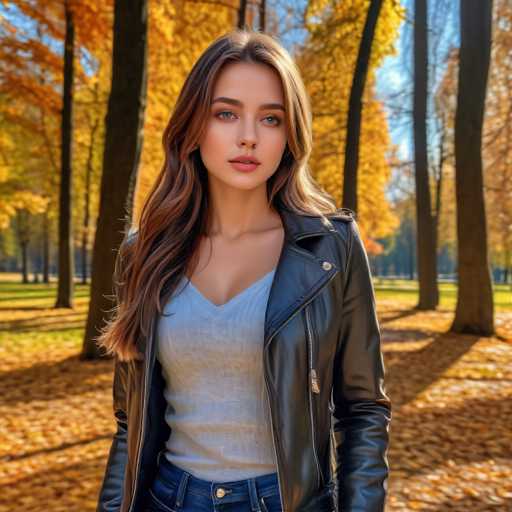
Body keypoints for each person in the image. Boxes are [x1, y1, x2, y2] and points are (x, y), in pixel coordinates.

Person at [95, 29, 392, 512]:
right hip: (167, 499)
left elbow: (364, 411)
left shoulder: (331, 250)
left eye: (270, 118)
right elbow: (130, 423)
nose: (248, 136)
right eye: (226, 113)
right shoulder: (144, 253)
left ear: (289, 134)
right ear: (195, 124)